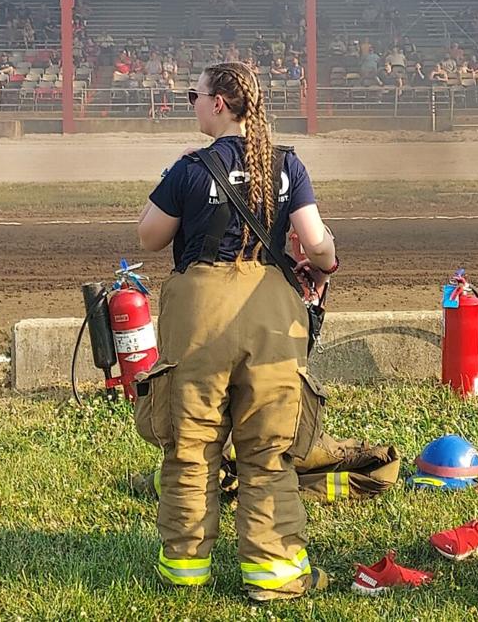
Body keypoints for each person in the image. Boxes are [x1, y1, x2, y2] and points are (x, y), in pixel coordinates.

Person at [136, 61, 337, 602]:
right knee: (269, 447)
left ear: (220, 103)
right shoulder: (286, 165)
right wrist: (327, 262)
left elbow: (150, 237)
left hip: (201, 312)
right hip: (269, 311)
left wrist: (175, 179)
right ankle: (275, 574)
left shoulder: (191, 167)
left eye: (195, 96)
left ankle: (185, 571)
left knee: (191, 445)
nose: (193, 104)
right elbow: (315, 243)